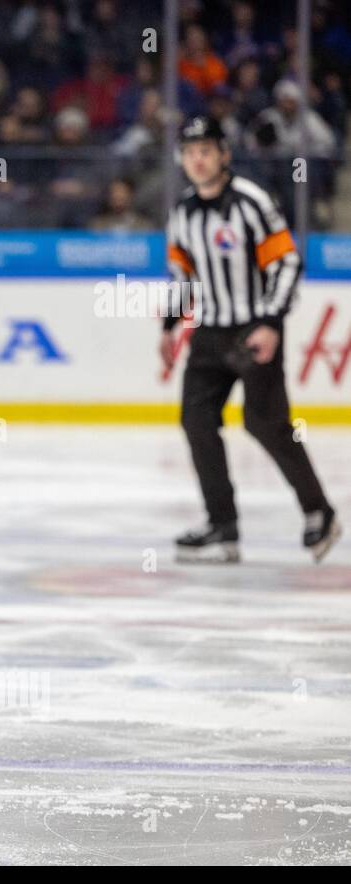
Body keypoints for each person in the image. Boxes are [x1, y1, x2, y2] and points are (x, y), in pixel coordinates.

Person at [161, 117, 340, 563]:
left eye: (206, 150)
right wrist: (170, 323)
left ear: (224, 154)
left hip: (252, 329)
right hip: (210, 332)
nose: (197, 159)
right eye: (189, 152)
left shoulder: (251, 201)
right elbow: (184, 273)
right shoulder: (183, 211)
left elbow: (286, 263)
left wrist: (269, 322)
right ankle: (223, 528)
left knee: (265, 424)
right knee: (196, 421)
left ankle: (319, 512)